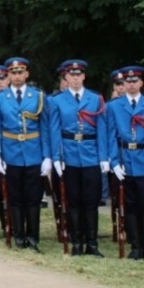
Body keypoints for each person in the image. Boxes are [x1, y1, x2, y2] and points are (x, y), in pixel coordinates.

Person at [0, 57, 53, 251]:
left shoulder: (38, 97)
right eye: (13, 73)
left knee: (33, 198)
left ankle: (33, 236)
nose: (17, 76)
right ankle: (18, 234)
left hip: (33, 152)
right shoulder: (0, 99)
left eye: (20, 72)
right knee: (15, 197)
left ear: (26, 74)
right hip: (11, 152)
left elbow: (45, 128)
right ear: (8, 75)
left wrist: (47, 156)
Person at [49, 59, 111, 256]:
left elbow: (102, 129)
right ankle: (76, 242)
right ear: (66, 77)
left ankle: (92, 243)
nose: (75, 78)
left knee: (91, 201)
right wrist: (57, 156)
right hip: (69, 154)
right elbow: (55, 130)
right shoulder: (57, 100)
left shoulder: (95, 99)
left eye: (78, 75)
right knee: (73, 201)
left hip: (91, 153)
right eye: (71, 75)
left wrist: (103, 156)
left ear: (83, 76)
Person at [109, 66, 144, 261]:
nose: (131, 85)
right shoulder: (114, 106)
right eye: (127, 82)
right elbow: (111, 135)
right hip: (125, 159)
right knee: (129, 205)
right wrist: (114, 161)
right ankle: (135, 247)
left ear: (141, 83)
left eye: (134, 81)